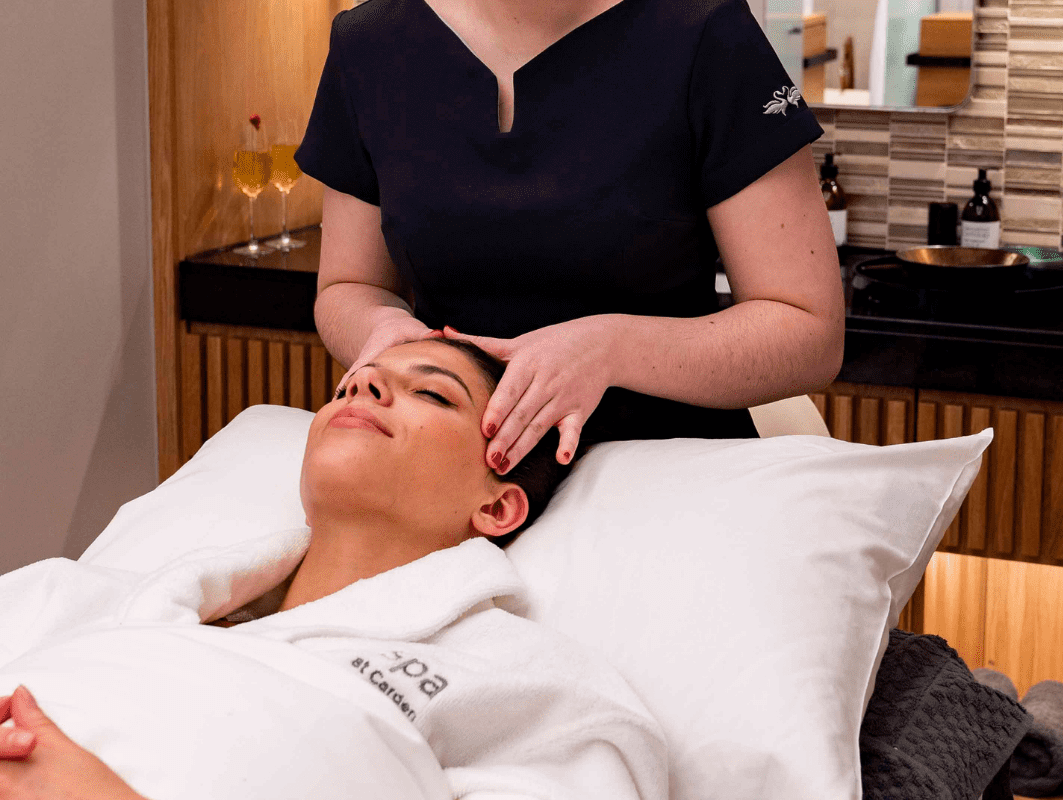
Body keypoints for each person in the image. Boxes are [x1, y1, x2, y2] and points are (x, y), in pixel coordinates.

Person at [0, 339, 665, 800]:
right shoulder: (91, 604)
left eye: (427, 391)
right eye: (354, 378)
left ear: (498, 503)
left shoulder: (527, 683)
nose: (364, 389)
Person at [301, 0, 846, 478]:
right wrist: (382, 329)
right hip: (459, 485)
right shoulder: (368, 44)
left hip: (673, 480)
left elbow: (809, 332)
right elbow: (350, 285)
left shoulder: (706, 32)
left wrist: (610, 351)